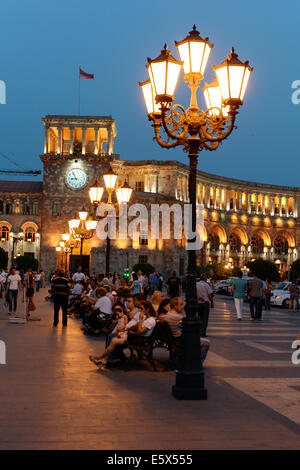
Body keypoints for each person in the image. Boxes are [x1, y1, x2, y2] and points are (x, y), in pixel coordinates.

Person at [89, 300, 156, 369]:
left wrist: (140, 320)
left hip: (140, 340)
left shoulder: (151, 320)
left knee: (114, 340)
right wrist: (126, 329)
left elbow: (140, 331)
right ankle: (103, 359)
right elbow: (136, 326)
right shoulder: (145, 318)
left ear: (147, 309)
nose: (140, 311)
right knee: (113, 339)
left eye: (142, 309)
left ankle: (101, 358)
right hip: (135, 336)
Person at [165, 297, 210, 364]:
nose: (183, 306)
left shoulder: (168, 314)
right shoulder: (178, 317)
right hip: (180, 339)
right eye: (181, 304)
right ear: (175, 306)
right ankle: (198, 363)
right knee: (206, 343)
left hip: (175, 338)